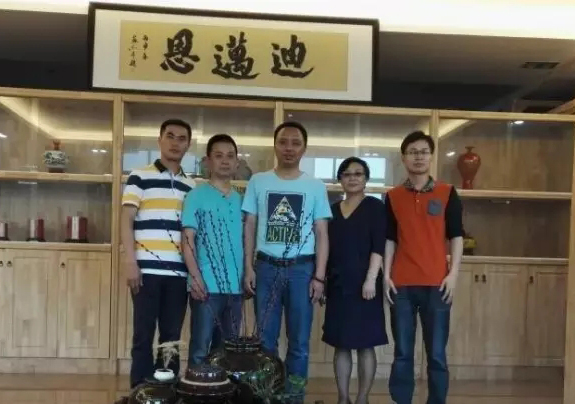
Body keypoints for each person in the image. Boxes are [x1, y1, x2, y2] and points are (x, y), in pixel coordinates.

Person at [242, 121, 332, 399]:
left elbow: (322, 232)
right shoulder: (258, 181)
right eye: (283, 142)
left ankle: (294, 398)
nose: (289, 148)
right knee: (265, 342)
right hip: (266, 268)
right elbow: (249, 226)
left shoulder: (315, 186)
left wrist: (319, 276)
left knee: (299, 345)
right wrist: (248, 268)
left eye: (295, 143)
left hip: (301, 270)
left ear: (304, 148)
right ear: (275, 146)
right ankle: (267, 396)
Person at [384, 130, 463, 404]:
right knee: (402, 353)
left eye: (424, 152)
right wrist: (386, 275)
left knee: (437, 354)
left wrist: (453, 274)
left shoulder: (447, 192)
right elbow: (390, 239)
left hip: (437, 284)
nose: (418, 157)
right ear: (404, 158)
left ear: (431, 157)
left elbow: (456, 236)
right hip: (402, 285)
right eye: (412, 152)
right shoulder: (392, 196)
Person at [121, 119, 195, 389]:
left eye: (182, 138)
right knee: (143, 334)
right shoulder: (140, 176)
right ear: (160, 140)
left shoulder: (191, 186)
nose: (175, 143)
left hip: (179, 273)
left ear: (188, 145)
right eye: (170, 136)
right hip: (146, 271)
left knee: (171, 338)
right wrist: (130, 261)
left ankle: (167, 390)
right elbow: (126, 220)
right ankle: (139, 390)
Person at [322, 157, 388, 404]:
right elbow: (325, 248)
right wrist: (322, 280)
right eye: (347, 174)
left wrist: (371, 278)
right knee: (340, 343)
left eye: (358, 174)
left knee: (365, 344)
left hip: (365, 286)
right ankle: (343, 397)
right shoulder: (332, 210)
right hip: (338, 284)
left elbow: (379, 245)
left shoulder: (375, 207)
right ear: (340, 179)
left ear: (366, 179)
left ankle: (362, 398)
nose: (352, 178)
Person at [181, 134, 244, 365]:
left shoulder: (242, 200)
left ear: (237, 162)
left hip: (236, 288)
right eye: (218, 156)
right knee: (200, 348)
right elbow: (187, 238)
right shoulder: (195, 196)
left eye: (230, 156)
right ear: (208, 161)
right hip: (205, 287)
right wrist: (195, 277)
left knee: (228, 353)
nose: (225, 161)